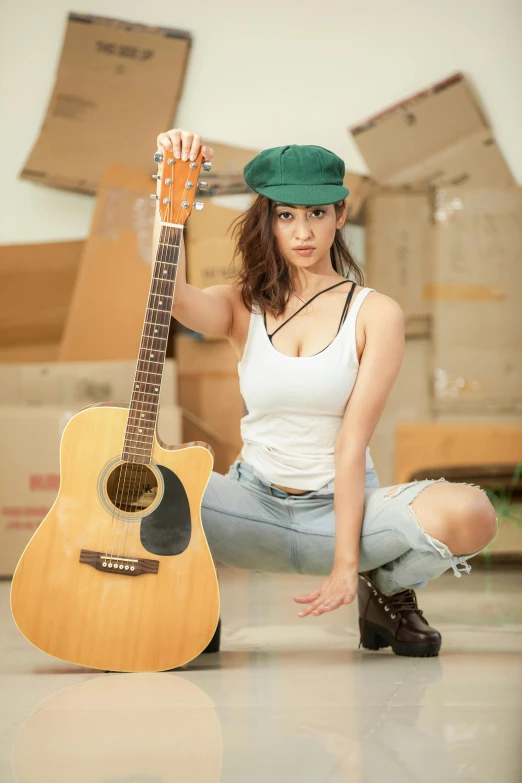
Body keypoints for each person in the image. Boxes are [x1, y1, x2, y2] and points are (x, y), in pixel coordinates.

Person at [156, 128, 499, 657]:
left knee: (473, 512)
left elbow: (350, 442)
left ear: (340, 215)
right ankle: (191, 601)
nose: (302, 231)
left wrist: (345, 565)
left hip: (345, 515)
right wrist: (171, 209)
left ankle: (382, 588)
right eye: (286, 215)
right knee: (141, 481)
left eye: (317, 213)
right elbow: (171, 298)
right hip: (251, 508)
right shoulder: (240, 305)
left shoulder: (375, 314)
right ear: (267, 220)